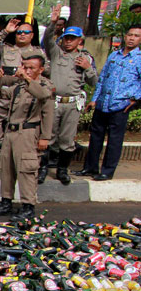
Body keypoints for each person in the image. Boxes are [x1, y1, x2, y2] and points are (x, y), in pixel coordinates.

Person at [0, 55, 55, 220]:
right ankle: (6, 200)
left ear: (40, 69)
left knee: (27, 169)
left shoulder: (44, 85)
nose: (26, 70)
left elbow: (45, 103)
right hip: (11, 132)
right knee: (7, 167)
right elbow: (0, 94)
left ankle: (28, 205)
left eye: (31, 68)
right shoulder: (19, 87)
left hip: (28, 133)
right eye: (24, 67)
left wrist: (45, 137)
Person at [77, 23, 141, 181]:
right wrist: (94, 99)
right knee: (96, 137)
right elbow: (102, 78)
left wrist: (135, 99)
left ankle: (107, 171)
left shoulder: (139, 59)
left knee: (114, 140)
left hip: (120, 105)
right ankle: (90, 167)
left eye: (136, 36)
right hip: (103, 103)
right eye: (130, 35)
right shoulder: (114, 55)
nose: (132, 38)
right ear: (125, 36)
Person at [0, 18, 47, 172]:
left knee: (20, 127)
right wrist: (6, 31)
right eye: (19, 32)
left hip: (25, 95)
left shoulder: (38, 52)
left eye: (26, 32)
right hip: (4, 93)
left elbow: (45, 72)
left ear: (32, 35)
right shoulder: (6, 48)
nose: (21, 34)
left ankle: (27, 161)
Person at [44, 26, 96, 185]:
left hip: (72, 104)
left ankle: (62, 170)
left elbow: (94, 82)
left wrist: (88, 69)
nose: (68, 41)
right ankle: (42, 169)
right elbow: (47, 40)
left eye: (72, 38)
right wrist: (52, 24)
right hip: (54, 101)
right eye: (66, 38)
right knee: (48, 137)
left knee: (67, 139)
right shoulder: (56, 53)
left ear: (80, 40)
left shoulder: (84, 59)